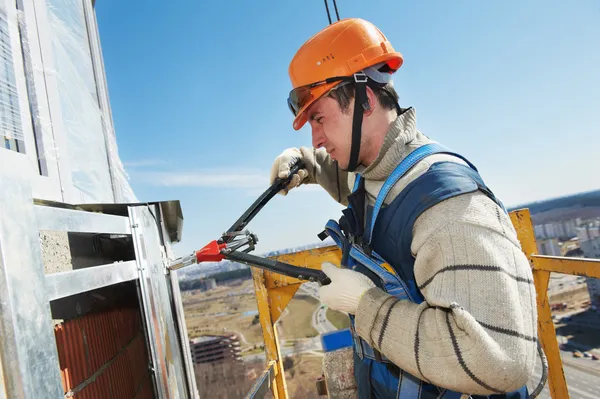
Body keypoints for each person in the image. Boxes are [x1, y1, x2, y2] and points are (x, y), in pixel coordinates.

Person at [270, 18, 538, 398]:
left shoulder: (447, 207)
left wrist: (364, 306)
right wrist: (301, 161)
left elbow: (499, 362)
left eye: (319, 118)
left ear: (365, 101)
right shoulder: (372, 172)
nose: (316, 137)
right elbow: (343, 176)